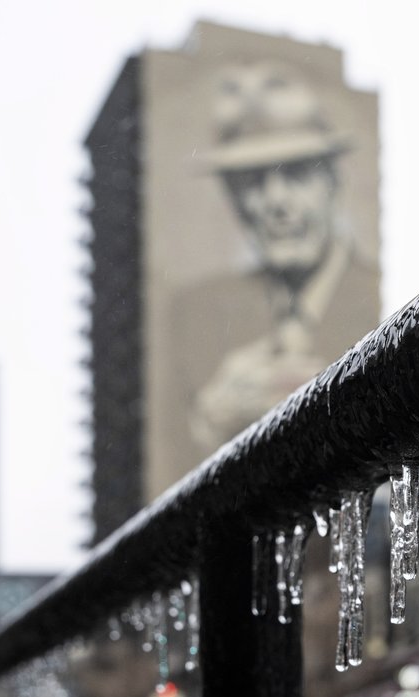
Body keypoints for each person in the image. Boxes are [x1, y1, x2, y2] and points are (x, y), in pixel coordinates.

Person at [160, 59, 380, 461]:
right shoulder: (194, 315)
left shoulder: (387, 297)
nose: (276, 201)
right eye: (253, 181)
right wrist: (208, 424)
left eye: (295, 173)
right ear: (233, 200)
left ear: (333, 183)